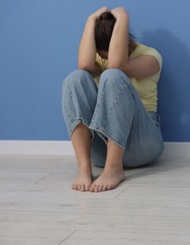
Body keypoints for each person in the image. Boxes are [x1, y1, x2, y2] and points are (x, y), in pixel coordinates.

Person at [62, 6, 164, 192]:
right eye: (102, 56)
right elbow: (84, 64)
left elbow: (117, 65)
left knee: (113, 75)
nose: (105, 60)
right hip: (103, 149)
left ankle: (114, 169)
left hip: (142, 145)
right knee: (74, 78)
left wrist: (123, 17)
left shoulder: (151, 57)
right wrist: (91, 19)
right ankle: (84, 168)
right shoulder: (99, 61)